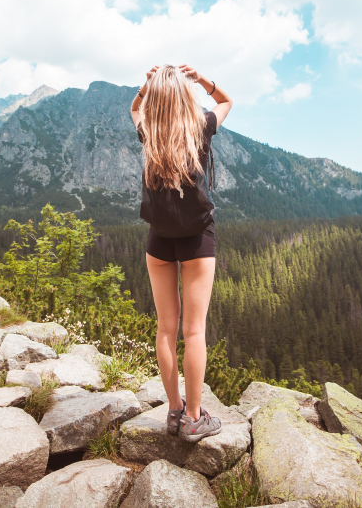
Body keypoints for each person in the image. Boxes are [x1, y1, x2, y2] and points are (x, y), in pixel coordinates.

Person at [130, 63, 233, 443]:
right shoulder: (202, 126)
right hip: (196, 241)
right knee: (194, 331)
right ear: (185, 96)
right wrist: (203, 80)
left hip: (159, 240)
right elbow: (227, 101)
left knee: (166, 330)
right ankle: (194, 417)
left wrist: (146, 86)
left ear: (157, 97)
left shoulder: (149, 133)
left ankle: (174, 411)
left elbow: (135, 110)